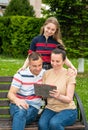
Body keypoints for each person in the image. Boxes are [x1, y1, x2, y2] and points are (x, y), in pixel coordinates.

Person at [38, 47, 77, 130]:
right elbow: (44, 94)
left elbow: (69, 99)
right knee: (42, 125)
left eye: (58, 61)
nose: (54, 64)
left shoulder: (69, 75)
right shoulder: (46, 73)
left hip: (68, 109)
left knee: (54, 123)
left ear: (63, 61)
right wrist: (42, 93)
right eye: (52, 61)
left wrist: (59, 96)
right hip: (51, 108)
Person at [7, 52, 45, 130]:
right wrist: (17, 100)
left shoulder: (45, 73)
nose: (38, 68)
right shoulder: (20, 75)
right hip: (17, 106)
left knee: (20, 117)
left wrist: (69, 71)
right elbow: (10, 94)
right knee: (21, 113)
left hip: (33, 108)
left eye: (40, 65)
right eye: (34, 66)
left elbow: (59, 73)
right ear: (29, 65)